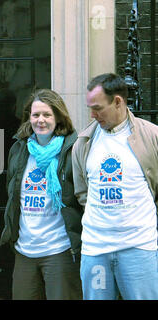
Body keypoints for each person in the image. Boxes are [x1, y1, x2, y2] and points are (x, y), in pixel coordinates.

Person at [72, 73, 158, 300]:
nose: (92, 114)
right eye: (90, 107)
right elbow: (82, 193)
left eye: (98, 108)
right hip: (95, 250)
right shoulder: (83, 142)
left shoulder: (151, 136)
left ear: (118, 101)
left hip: (139, 249)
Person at [0, 88, 83, 300]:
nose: (41, 120)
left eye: (47, 114)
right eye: (36, 115)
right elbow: (13, 195)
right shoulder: (19, 149)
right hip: (25, 250)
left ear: (58, 117)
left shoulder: (72, 150)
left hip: (60, 250)